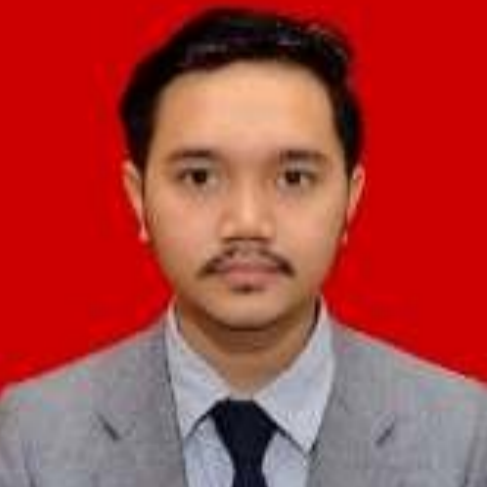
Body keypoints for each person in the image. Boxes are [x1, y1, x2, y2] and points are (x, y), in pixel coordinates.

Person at [0, 7, 486, 487]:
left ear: (350, 199)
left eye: (294, 178)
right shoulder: (29, 436)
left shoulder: (468, 435)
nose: (248, 223)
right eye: (199, 177)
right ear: (139, 198)